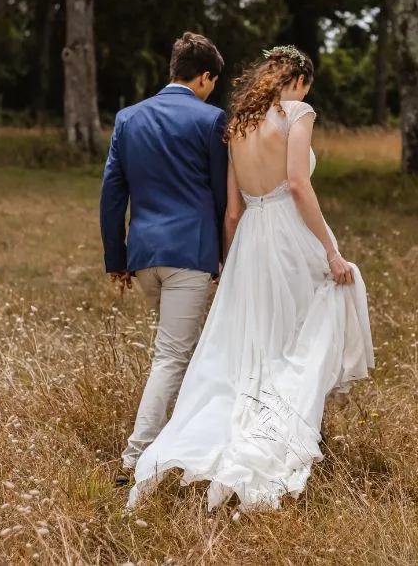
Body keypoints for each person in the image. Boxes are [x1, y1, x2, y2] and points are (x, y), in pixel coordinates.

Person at [127, 45, 374, 511]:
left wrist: (228, 263)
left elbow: (233, 212)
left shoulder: (237, 124)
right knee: (306, 325)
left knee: (252, 346)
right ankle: (286, 429)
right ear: (298, 80)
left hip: (249, 243)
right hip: (287, 235)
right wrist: (330, 248)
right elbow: (299, 184)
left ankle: (241, 425)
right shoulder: (298, 112)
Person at [100, 32, 228, 484]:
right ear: (205, 76)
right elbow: (220, 197)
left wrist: (116, 259)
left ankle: (191, 442)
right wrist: (225, 257)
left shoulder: (128, 118)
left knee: (182, 351)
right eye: (214, 80)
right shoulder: (211, 120)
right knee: (172, 357)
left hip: (143, 257)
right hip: (190, 256)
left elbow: (113, 194)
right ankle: (135, 460)